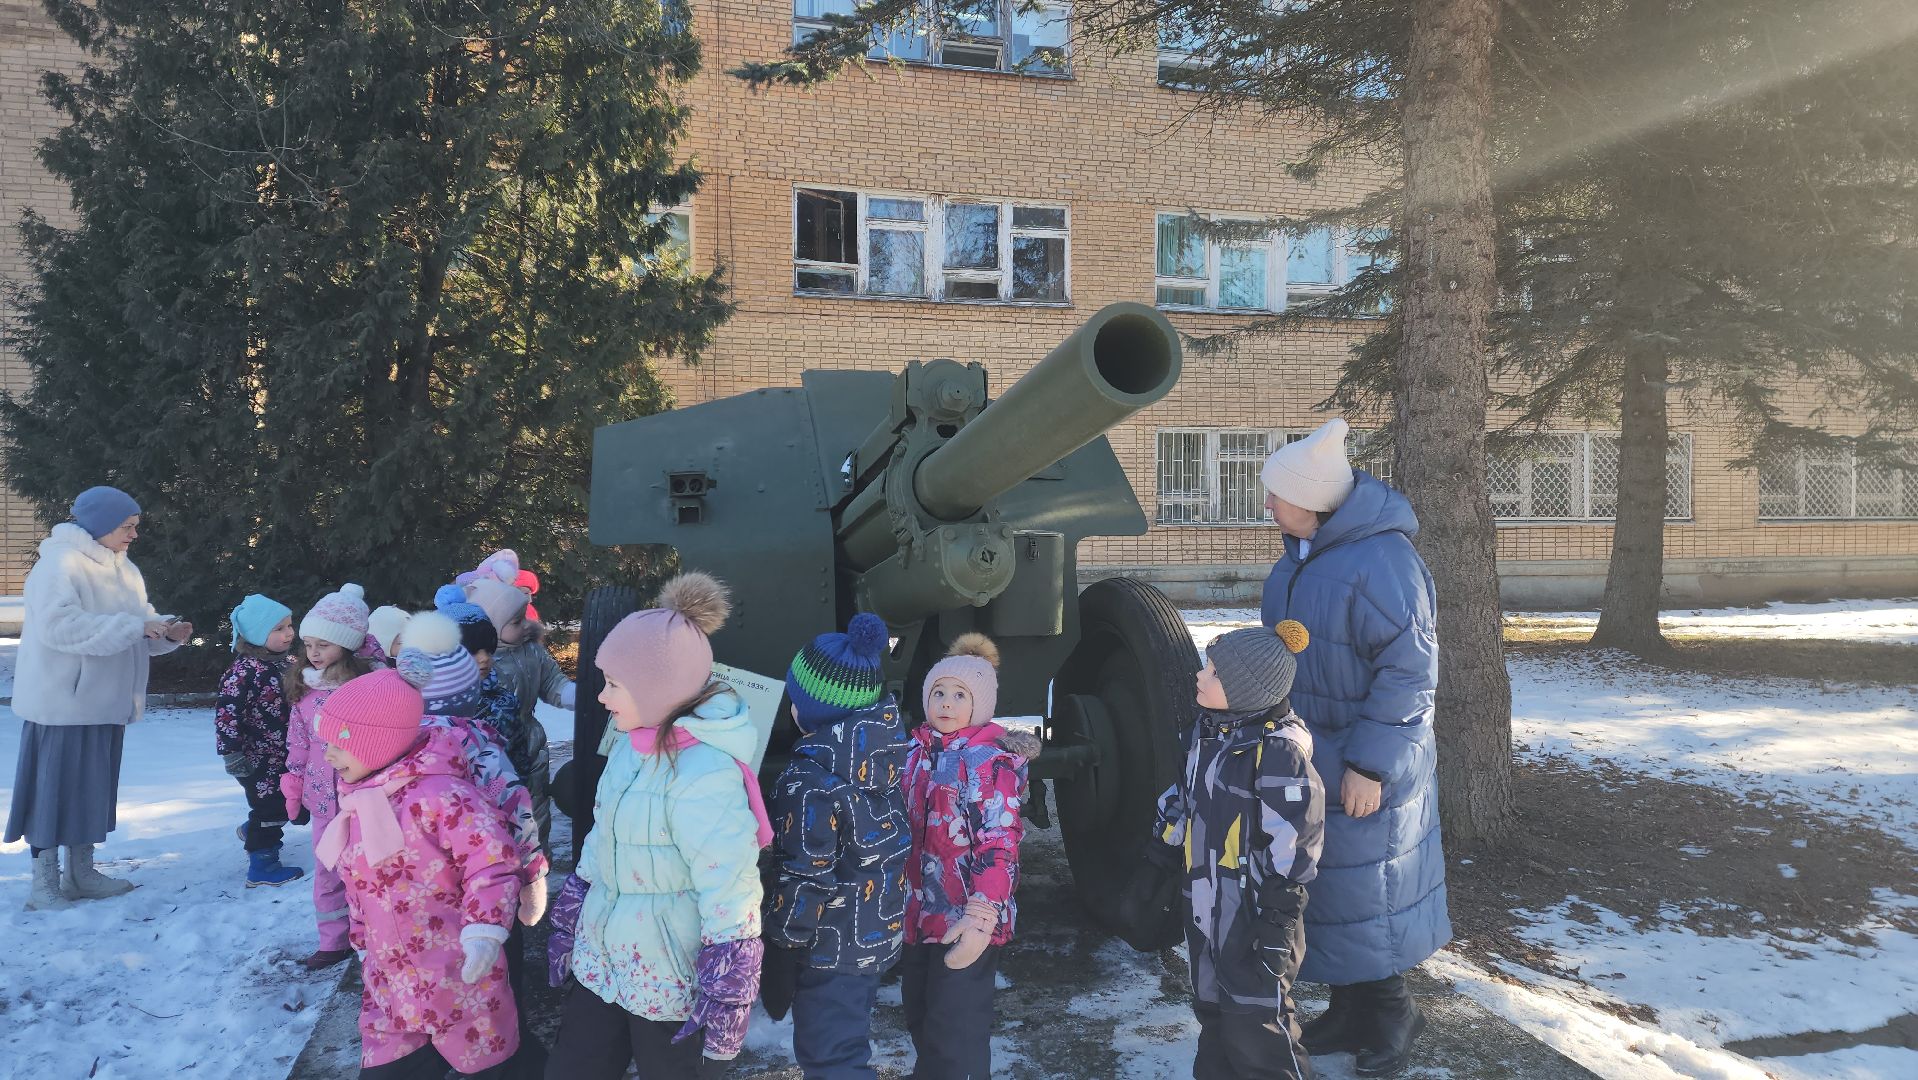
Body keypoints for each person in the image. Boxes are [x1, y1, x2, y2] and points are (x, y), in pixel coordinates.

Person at [1258, 418, 1447, 1078]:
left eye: (1277, 495)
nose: (1268, 507)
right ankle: (1350, 1007)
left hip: (1368, 760)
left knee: (1376, 892)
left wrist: (1370, 765)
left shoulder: (1383, 561)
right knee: (1334, 891)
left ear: (1312, 499)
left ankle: (1394, 1014)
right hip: (1315, 755)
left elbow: (1410, 672)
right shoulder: (1300, 556)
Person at [544, 572, 768, 1078]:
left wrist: (728, 991)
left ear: (658, 688)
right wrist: (575, 902)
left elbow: (730, 889)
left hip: (668, 980)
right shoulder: (631, 745)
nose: (601, 696)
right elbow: (604, 835)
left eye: (614, 684)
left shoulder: (704, 774)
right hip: (602, 961)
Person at [314, 667, 524, 1078]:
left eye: (337, 744)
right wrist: (360, 937)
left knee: (486, 1066)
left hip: (460, 975)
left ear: (379, 742)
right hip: (389, 984)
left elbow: (492, 861)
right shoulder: (359, 801)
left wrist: (484, 929)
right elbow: (358, 882)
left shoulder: (442, 796)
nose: (327, 756)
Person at [1149, 622, 1323, 1080]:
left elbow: (1297, 839)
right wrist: (1163, 850)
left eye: (1214, 672)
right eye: (1206, 666)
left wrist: (1280, 916)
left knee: (1258, 1022)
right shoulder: (1207, 734)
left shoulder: (1277, 753)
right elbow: (1186, 799)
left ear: (1246, 689)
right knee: (1213, 1011)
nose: (1200, 676)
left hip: (1254, 913)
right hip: (1206, 903)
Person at [7, 486, 192, 910]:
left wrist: (166, 630)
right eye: (127, 526)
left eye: (135, 526)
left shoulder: (125, 569)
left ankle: (81, 873)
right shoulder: (58, 564)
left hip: (106, 701)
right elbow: (60, 627)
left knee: (91, 790)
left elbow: (136, 626)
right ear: (101, 523)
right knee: (50, 793)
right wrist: (135, 627)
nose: (134, 535)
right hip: (63, 704)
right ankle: (44, 884)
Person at [764, 612, 911, 1079]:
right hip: (874, 935)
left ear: (812, 710)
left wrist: (784, 945)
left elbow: (806, 872)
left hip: (828, 947)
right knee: (846, 1041)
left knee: (830, 1057)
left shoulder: (811, 781)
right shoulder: (883, 754)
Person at [900, 633, 1038, 1080]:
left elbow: (1000, 844)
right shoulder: (914, 753)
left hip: (968, 919)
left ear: (980, 704)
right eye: (937, 692)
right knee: (921, 1017)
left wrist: (983, 915)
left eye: (960, 695)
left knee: (956, 1033)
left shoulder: (988, 764)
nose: (946, 703)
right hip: (920, 918)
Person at [280, 583, 378, 969]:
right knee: (328, 872)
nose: (314, 652)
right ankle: (333, 940)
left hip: (364, 799)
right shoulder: (304, 689)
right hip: (323, 802)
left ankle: (371, 933)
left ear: (348, 645)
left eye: (325, 643)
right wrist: (293, 784)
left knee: (367, 871)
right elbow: (298, 741)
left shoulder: (367, 686)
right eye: (308, 643)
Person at [468, 570, 569, 849]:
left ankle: (538, 866)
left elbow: (551, 680)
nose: (526, 625)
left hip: (530, 740)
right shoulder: (477, 663)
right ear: (491, 624)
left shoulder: (532, 651)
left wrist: (570, 694)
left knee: (536, 804)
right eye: (516, 621)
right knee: (497, 814)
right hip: (494, 745)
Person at [217, 593, 302, 888]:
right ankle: (262, 863)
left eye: (289, 625)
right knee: (272, 807)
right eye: (278, 629)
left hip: (288, 751)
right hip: (256, 758)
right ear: (256, 634)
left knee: (289, 801)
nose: (289, 633)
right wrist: (231, 753)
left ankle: (254, 829)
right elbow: (227, 715)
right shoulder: (242, 673)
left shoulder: (290, 662)